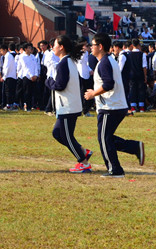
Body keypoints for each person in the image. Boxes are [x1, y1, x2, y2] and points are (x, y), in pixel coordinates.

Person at [84, 34, 144, 178]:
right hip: (115, 105)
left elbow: (108, 84)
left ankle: (115, 170)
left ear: (100, 47)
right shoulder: (108, 60)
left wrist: (93, 94)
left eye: (93, 45)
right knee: (107, 137)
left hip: (110, 107)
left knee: (104, 138)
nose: (90, 48)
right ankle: (134, 147)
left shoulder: (104, 62)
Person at [46, 36, 93, 173]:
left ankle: (83, 163)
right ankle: (83, 152)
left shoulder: (64, 63)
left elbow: (60, 85)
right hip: (68, 105)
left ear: (61, 47)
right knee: (57, 133)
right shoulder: (68, 60)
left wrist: (48, 82)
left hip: (68, 106)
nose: (52, 47)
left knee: (66, 135)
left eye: (54, 44)